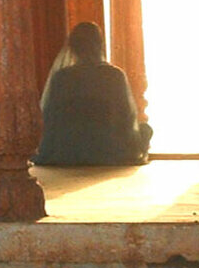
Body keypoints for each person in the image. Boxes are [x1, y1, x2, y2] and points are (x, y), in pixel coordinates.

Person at [33, 22, 152, 166]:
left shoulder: (62, 77)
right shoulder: (114, 75)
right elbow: (126, 119)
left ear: (73, 48)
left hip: (68, 150)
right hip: (109, 148)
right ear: (99, 45)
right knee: (145, 129)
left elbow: (50, 121)